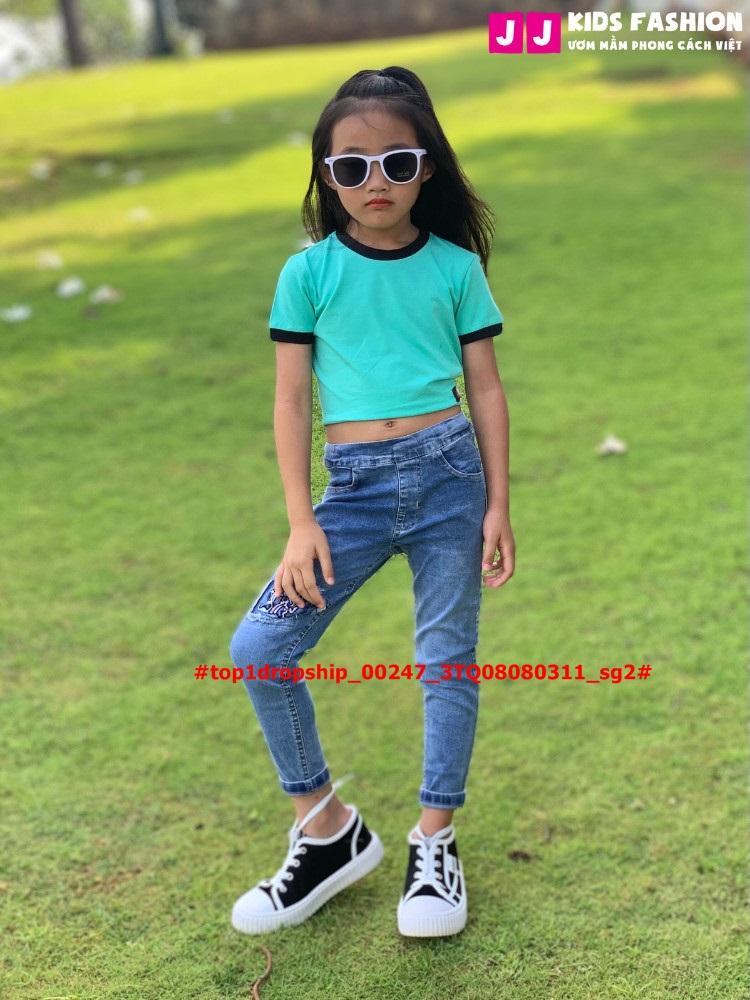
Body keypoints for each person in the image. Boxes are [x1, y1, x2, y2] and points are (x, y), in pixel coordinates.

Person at [228, 65, 515, 939]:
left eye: (396, 162)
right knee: (261, 646)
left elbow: (486, 387)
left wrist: (499, 505)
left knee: (446, 661)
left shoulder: (455, 268)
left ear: (426, 167)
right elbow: (289, 401)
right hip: (349, 489)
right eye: (351, 167)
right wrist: (299, 521)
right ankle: (327, 830)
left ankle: (435, 840)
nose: (375, 181)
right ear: (327, 175)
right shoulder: (307, 274)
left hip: (449, 477)